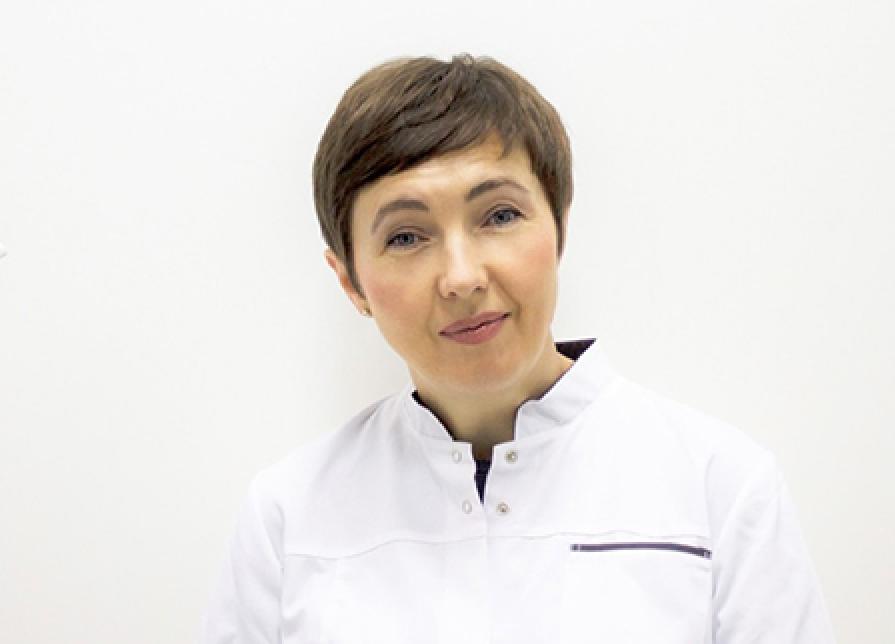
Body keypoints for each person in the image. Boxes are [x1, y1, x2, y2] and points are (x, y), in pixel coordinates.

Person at [201, 53, 836, 643]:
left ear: (559, 228)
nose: (462, 277)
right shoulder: (288, 518)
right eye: (406, 237)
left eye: (499, 216)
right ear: (350, 281)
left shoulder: (721, 490)